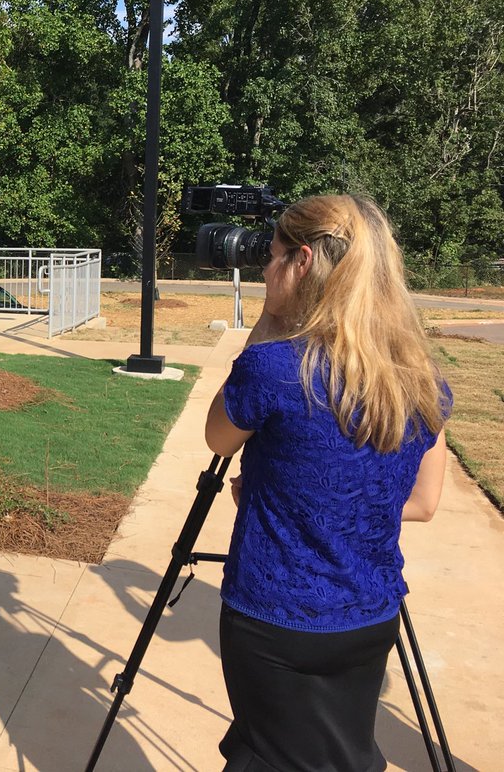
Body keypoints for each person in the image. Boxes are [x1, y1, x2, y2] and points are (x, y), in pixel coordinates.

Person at [205, 193, 452, 771]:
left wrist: (267, 325)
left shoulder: (273, 367)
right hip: (370, 615)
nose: (264, 270)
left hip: (275, 619)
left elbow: (218, 438)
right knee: (337, 754)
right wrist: (294, 496)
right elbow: (422, 502)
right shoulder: (419, 379)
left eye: (272, 256)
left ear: (303, 261)